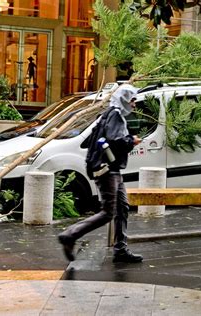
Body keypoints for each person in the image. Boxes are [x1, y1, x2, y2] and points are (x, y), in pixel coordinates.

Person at [58, 84, 143, 263]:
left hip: (111, 169)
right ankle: (70, 235)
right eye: (132, 100)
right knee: (108, 212)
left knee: (122, 207)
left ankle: (121, 249)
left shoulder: (108, 114)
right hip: (108, 170)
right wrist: (131, 141)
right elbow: (116, 141)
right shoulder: (116, 116)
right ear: (124, 99)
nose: (134, 104)